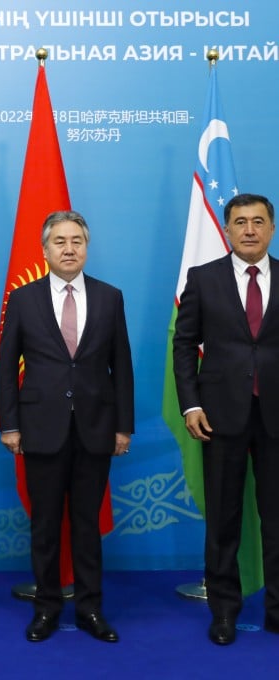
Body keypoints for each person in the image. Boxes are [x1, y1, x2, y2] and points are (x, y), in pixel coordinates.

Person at [0, 210, 133, 643]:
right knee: (46, 526)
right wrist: (10, 424)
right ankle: (47, 609)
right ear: (45, 249)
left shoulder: (110, 297)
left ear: (86, 248)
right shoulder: (23, 299)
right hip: (40, 428)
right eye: (60, 241)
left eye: (77, 240)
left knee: (87, 526)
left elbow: (122, 368)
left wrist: (122, 426)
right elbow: (5, 370)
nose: (69, 248)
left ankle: (91, 610)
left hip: (96, 428)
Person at [173, 193, 279, 645]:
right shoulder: (203, 278)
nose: (250, 230)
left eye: (258, 221)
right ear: (228, 229)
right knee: (223, 520)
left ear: (271, 228)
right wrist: (191, 404)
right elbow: (184, 345)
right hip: (219, 416)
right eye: (240, 222)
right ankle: (223, 611)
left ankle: (276, 609)